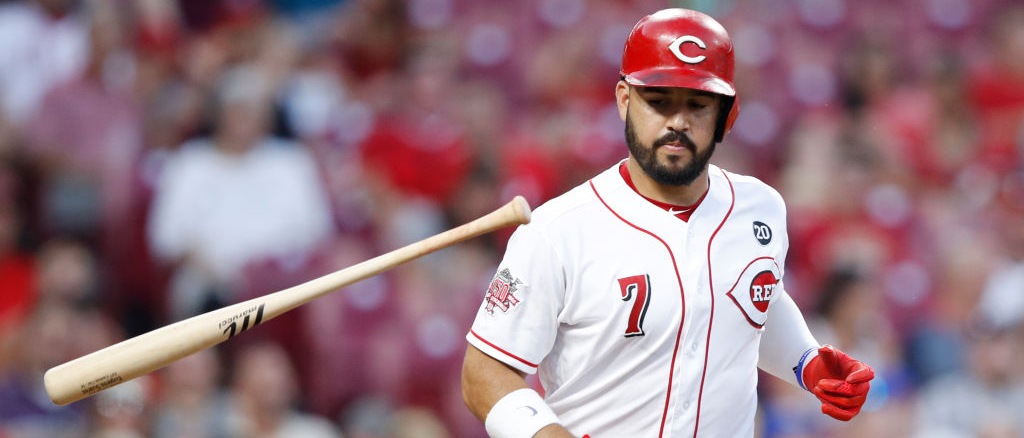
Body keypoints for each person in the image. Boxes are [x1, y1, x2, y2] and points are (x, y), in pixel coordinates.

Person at [460, 8, 875, 437]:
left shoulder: (761, 207)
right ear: (625, 100)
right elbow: (483, 373)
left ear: (726, 115)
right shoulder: (558, 231)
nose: (678, 122)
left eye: (697, 105)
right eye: (658, 102)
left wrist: (805, 360)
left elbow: (752, 298)